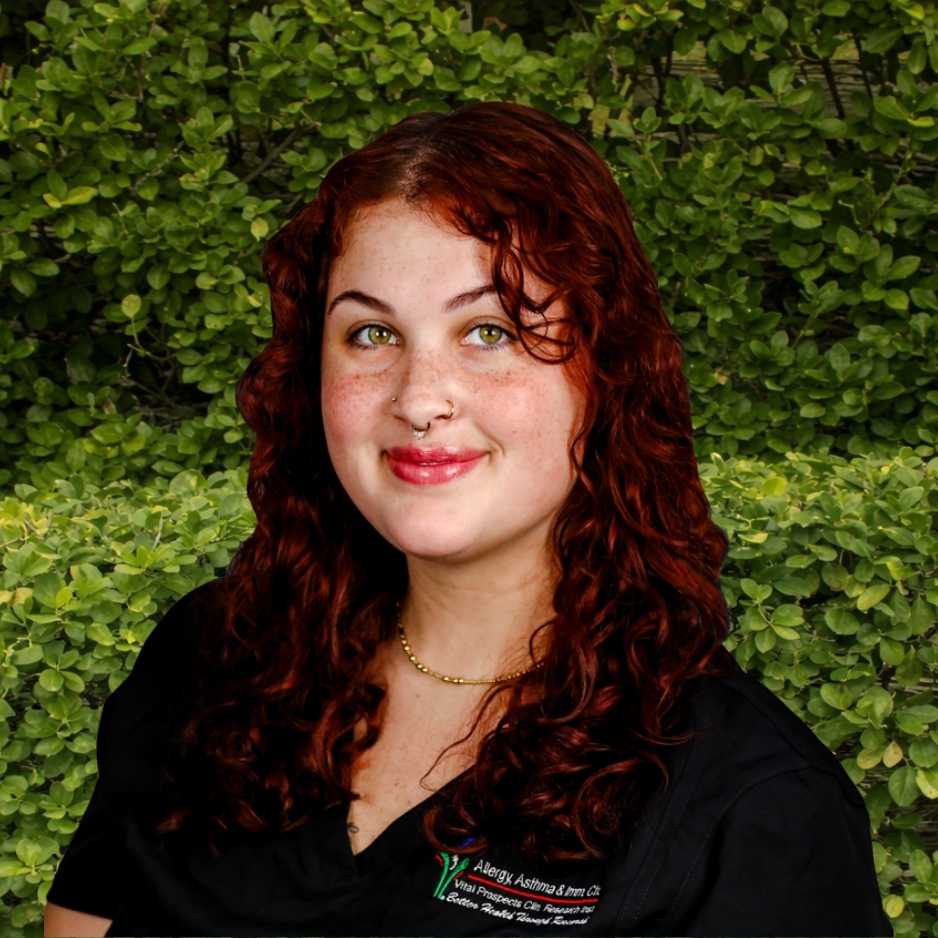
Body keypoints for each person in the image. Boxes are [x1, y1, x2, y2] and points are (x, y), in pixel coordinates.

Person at [45, 100, 892, 937]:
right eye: (372, 334)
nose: (419, 400)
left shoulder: (751, 809)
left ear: (605, 369)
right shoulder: (209, 662)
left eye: (488, 330)